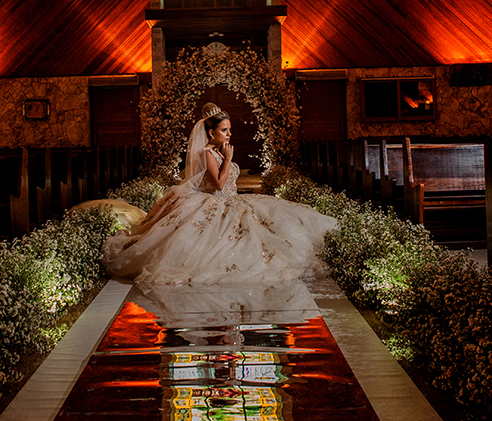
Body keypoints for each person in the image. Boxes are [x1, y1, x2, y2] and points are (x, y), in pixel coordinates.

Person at [102, 103, 338, 286]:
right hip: (216, 200)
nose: (229, 134)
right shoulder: (207, 153)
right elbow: (217, 185)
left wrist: (225, 157)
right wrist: (228, 160)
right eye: (224, 130)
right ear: (210, 132)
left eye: (229, 130)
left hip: (232, 198)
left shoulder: (217, 150)